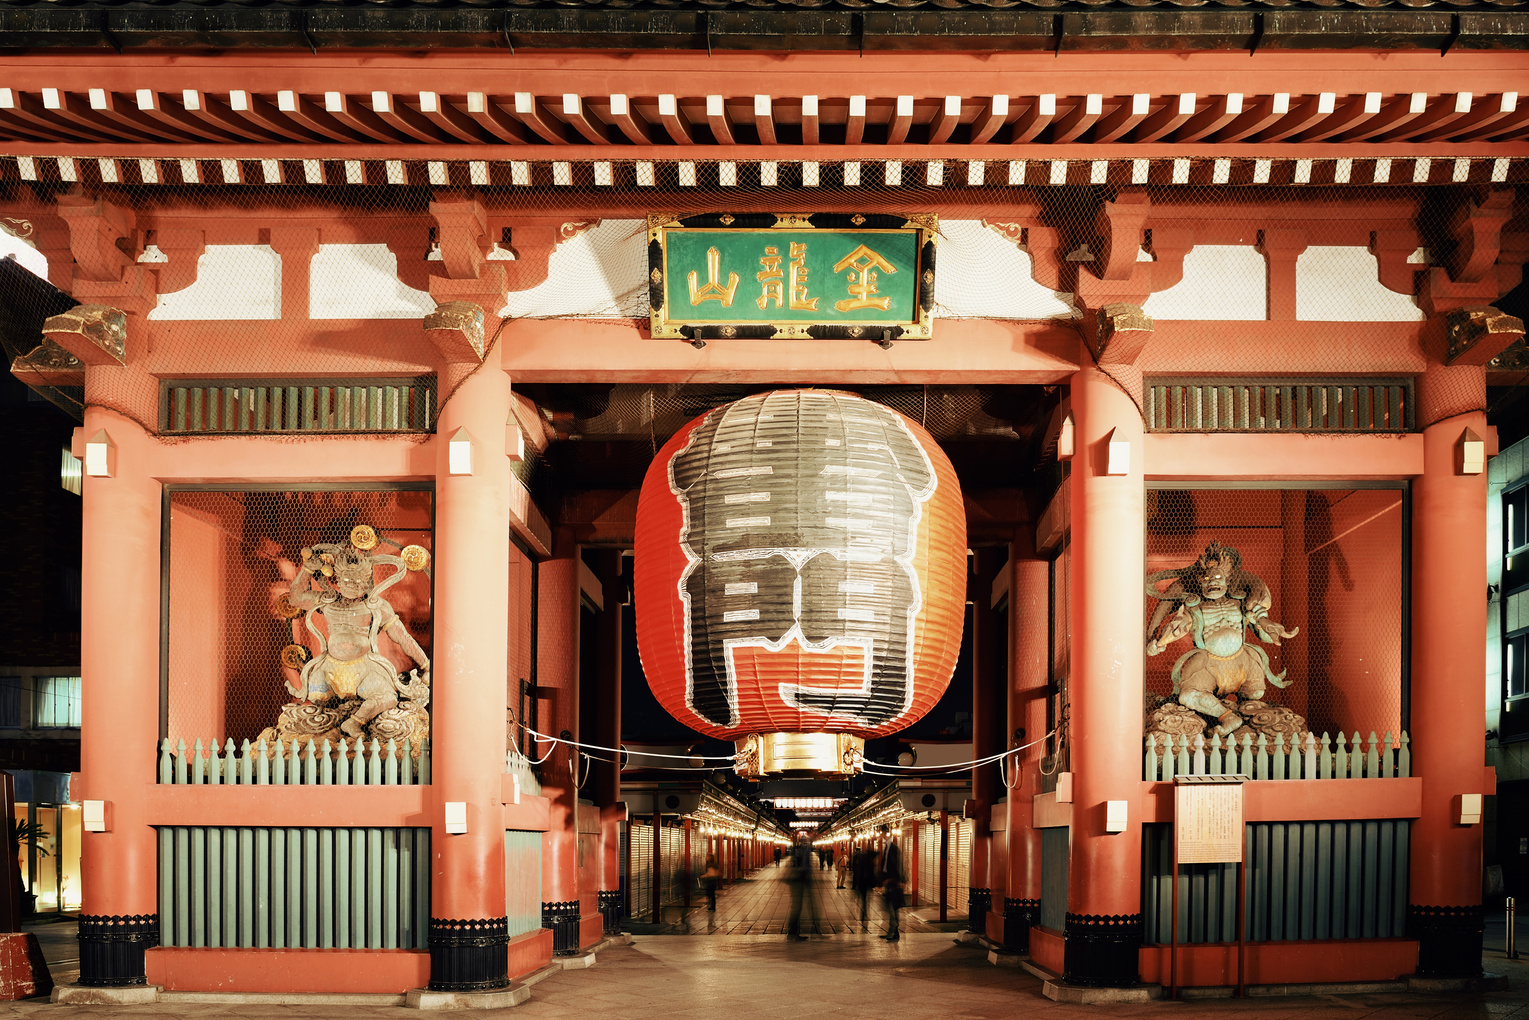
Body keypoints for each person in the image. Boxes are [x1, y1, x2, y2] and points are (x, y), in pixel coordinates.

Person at [785, 833, 818, 941]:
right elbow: (799, 864)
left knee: (801, 906)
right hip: (798, 879)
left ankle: (796, 931)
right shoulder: (799, 850)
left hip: (802, 878)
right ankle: (793, 932)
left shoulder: (803, 850)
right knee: (797, 906)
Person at [877, 824, 904, 941]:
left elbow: (897, 865)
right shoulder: (888, 847)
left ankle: (893, 932)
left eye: (882, 833)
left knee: (892, 908)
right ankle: (893, 932)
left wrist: (897, 879)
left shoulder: (892, 848)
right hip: (890, 881)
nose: (881, 836)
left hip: (893, 882)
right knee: (890, 907)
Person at [850, 844, 876, 928]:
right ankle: (864, 911)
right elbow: (876, 853)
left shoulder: (861, 857)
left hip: (862, 882)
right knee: (865, 898)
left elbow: (856, 868)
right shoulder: (868, 860)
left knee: (864, 898)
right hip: (866, 882)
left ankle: (863, 912)